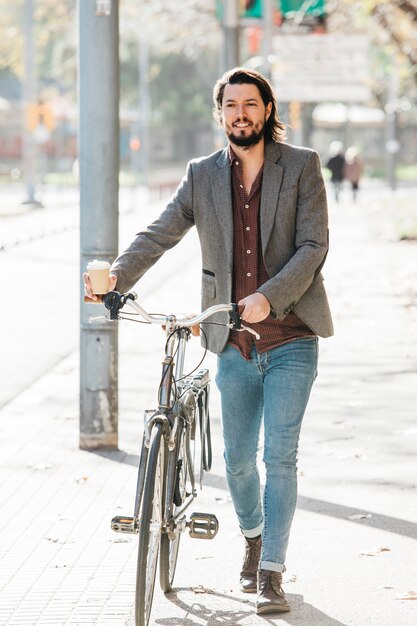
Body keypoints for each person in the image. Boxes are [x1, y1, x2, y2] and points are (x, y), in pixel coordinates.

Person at [84, 67, 333, 615]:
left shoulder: (302, 167)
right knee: (239, 460)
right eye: (231, 105)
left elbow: (314, 246)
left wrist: (271, 295)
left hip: (291, 337)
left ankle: (271, 573)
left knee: (280, 456)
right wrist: (116, 278)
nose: (240, 113)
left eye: (251, 103)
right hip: (231, 340)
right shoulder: (201, 176)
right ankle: (252, 538)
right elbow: (161, 232)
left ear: (268, 110)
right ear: (219, 114)